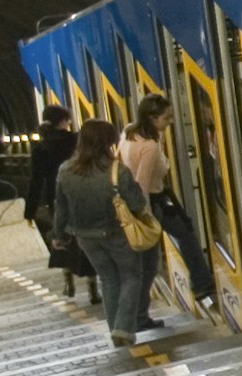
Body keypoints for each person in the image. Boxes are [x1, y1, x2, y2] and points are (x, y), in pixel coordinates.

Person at [51, 117, 160, 348]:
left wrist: (58, 236)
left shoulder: (64, 170)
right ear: (107, 142)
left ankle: (116, 330)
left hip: (85, 238)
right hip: (117, 233)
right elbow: (138, 203)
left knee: (109, 279)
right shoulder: (116, 170)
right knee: (131, 277)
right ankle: (122, 328)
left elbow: (61, 207)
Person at [127, 94, 219, 314]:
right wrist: (147, 218)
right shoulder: (150, 146)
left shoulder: (129, 132)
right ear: (152, 117)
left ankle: (201, 283)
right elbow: (142, 184)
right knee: (184, 236)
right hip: (154, 203)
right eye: (166, 118)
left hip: (149, 201)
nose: (170, 122)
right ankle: (203, 285)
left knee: (155, 255)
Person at [24, 105, 74, 225]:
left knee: (63, 233)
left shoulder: (40, 149)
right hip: (80, 193)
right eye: (68, 120)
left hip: (54, 196)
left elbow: (36, 181)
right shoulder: (76, 141)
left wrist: (29, 213)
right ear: (62, 122)